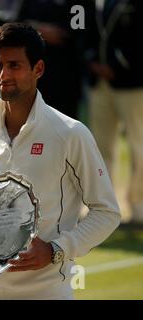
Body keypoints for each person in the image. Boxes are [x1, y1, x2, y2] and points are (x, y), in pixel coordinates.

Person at [0, 22, 120, 300]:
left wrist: (55, 250)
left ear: (38, 69)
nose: (3, 75)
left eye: (14, 65)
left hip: (47, 294)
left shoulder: (70, 134)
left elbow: (107, 213)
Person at [86, 0, 143, 225]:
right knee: (99, 147)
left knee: (137, 144)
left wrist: (119, 66)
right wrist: (91, 61)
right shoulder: (90, 3)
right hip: (98, 83)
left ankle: (138, 206)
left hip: (132, 83)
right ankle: (104, 208)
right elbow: (83, 33)